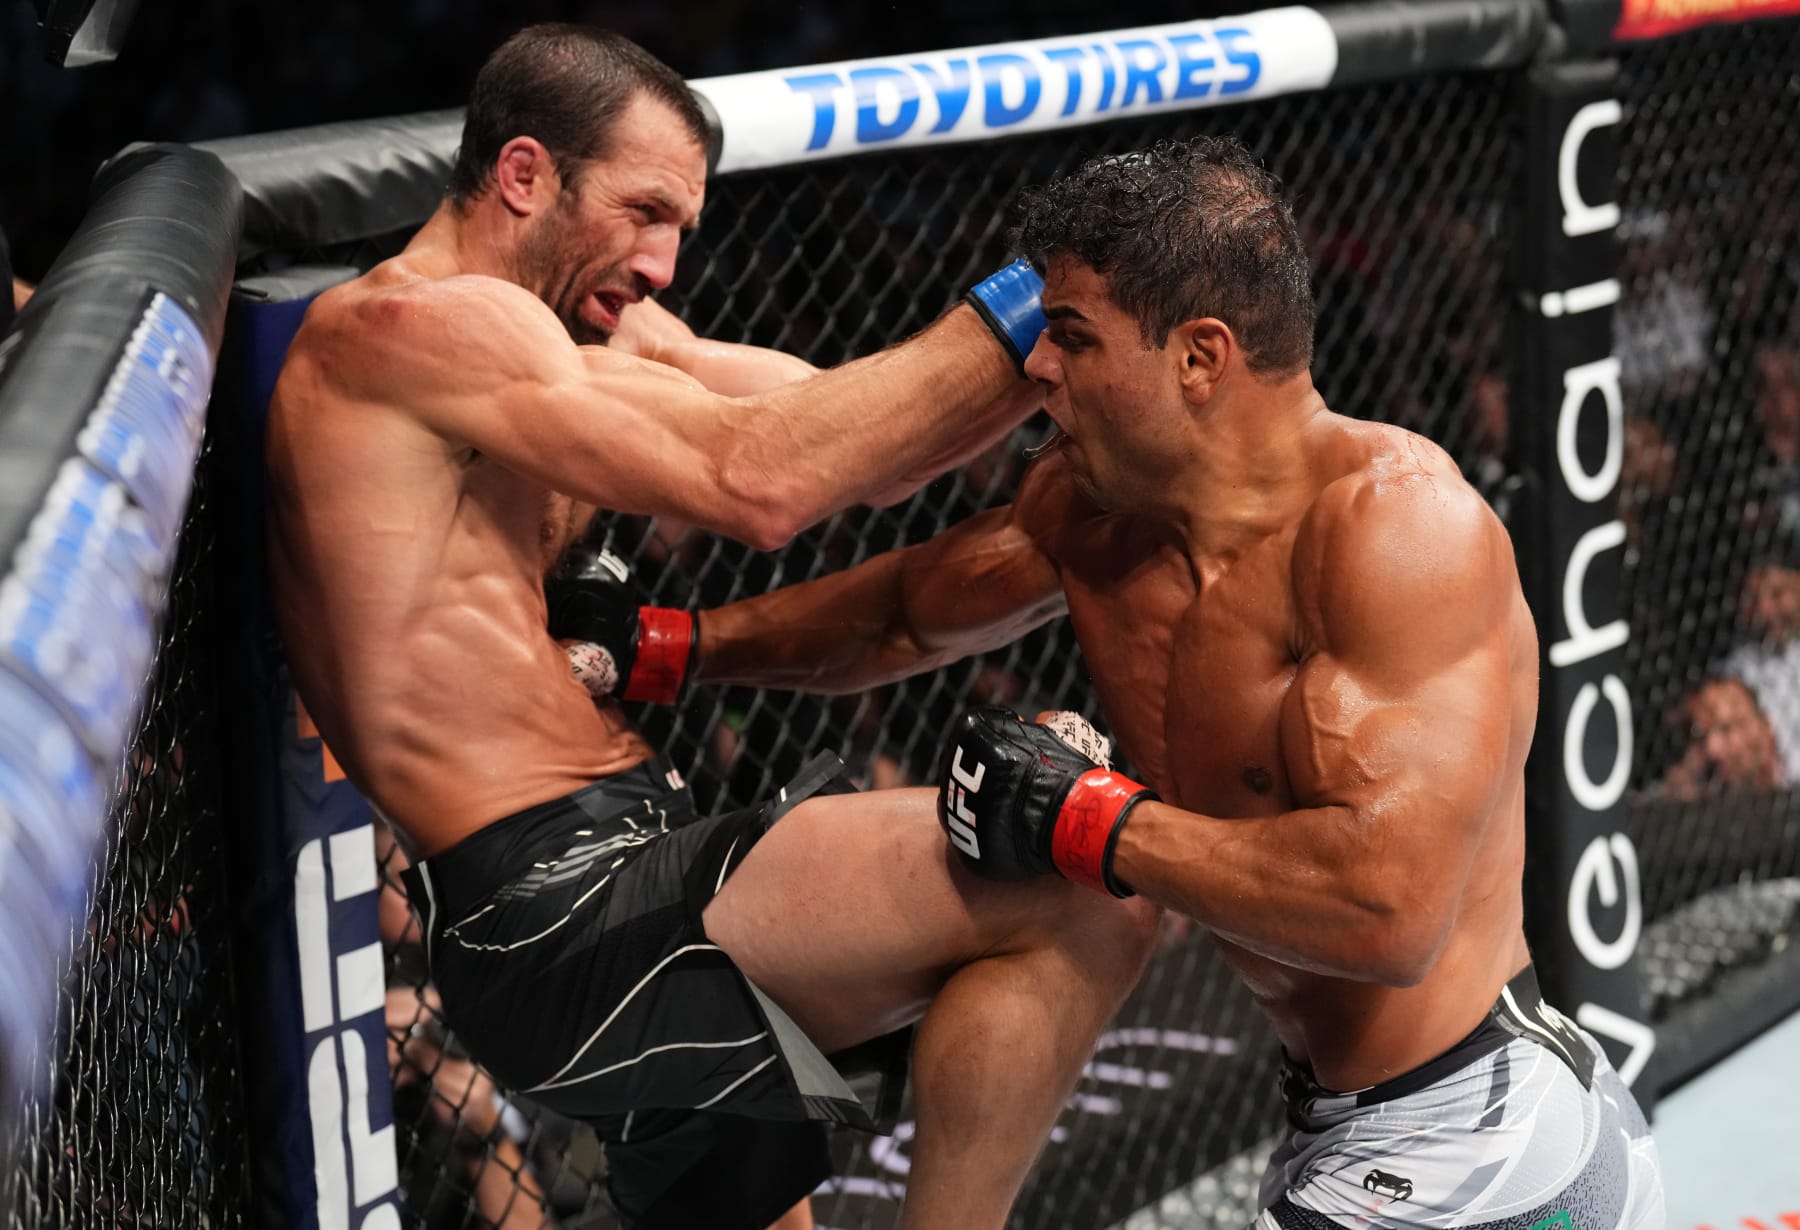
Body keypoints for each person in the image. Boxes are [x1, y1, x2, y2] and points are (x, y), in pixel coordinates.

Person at [621, 136, 1665, 1227]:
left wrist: (1086, 819)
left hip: (1481, 1139)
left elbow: (1386, 911)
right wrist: (669, 646)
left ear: (1200, 358)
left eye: (1072, 336)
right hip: (1351, 1134)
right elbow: (896, 616)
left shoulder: (1398, 533)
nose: (1036, 368)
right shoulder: (1093, 519)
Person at [266, 23, 1160, 1230]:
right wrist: (1038, 296)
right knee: (1089, 884)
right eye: (643, 213)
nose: (666, 263)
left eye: (682, 225)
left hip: (637, 850)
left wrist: (1061, 331)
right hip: (561, 906)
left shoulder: (588, 344)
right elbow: (764, 485)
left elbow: (852, 445)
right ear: (525, 174)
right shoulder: (401, 336)